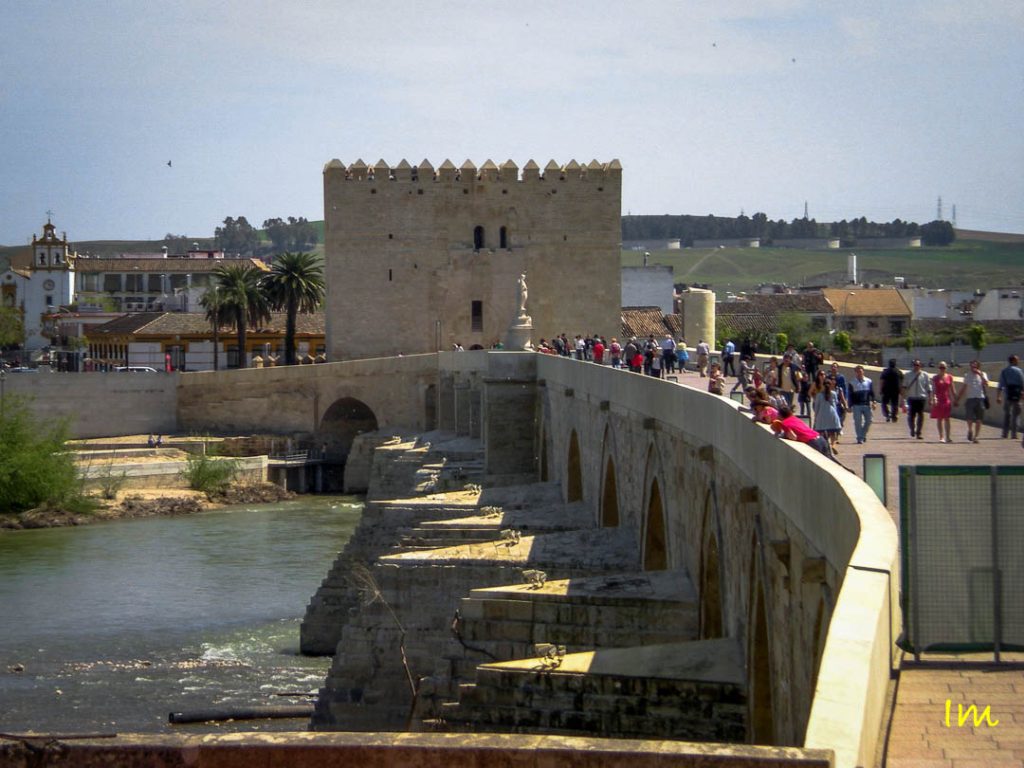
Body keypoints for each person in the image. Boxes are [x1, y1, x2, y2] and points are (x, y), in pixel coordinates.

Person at [953, 359, 990, 443]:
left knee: (979, 418)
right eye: (972, 366)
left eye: (975, 366)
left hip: (980, 398)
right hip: (970, 398)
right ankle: (970, 430)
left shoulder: (983, 374)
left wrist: (980, 375)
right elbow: (963, 388)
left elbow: (986, 384)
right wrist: (957, 399)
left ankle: (976, 436)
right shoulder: (967, 375)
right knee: (969, 417)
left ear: (978, 366)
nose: (973, 367)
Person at [901, 359, 932, 439]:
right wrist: (903, 398)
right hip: (912, 398)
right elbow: (904, 386)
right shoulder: (908, 374)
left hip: (921, 398)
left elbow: (928, 387)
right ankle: (912, 429)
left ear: (920, 366)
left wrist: (930, 398)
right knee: (911, 415)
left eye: (918, 365)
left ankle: (919, 432)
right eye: (915, 365)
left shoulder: (925, 375)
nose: (916, 366)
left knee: (921, 415)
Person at [846, 365, 877, 444]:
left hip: (866, 404)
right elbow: (850, 395)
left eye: (860, 371)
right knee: (857, 422)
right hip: (856, 405)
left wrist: (873, 401)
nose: (859, 373)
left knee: (869, 420)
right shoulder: (852, 382)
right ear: (855, 373)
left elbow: (872, 393)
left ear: (863, 371)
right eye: (857, 371)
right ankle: (859, 438)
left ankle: (862, 435)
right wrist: (849, 406)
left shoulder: (868, 381)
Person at [996, 354, 1023, 439]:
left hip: (1007, 395)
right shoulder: (1019, 371)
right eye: (1017, 360)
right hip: (1017, 395)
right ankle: (1014, 434)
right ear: (1013, 361)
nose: (1018, 361)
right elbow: (1022, 383)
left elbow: (1000, 385)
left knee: (1007, 415)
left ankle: (1005, 433)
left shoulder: (1004, 371)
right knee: (1016, 414)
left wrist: (998, 396)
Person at [812, 378, 843, 453]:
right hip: (832, 414)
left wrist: (816, 417)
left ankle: (824, 446)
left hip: (822, 414)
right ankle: (833, 445)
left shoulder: (819, 395)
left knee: (821, 432)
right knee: (833, 432)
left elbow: (817, 407)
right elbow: (835, 404)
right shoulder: (834, 393)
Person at [929, 361, 955, 442]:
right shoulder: (935, 378)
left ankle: (948, 437)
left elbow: (952, 389)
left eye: (943, 367)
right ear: (938, 368)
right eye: (940, 367)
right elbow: (933, 389)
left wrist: (956, 399)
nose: (942, 369)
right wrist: (933, 398)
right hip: (938, 400)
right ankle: (941, 437)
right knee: (939, 418)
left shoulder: (949, 377)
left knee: (947, 418)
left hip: (946, 400)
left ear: (946, 368)